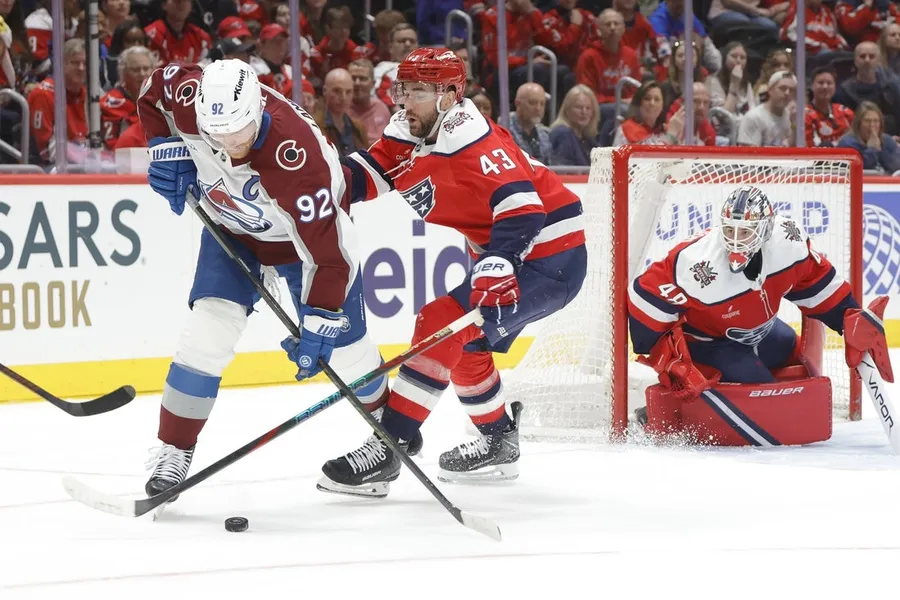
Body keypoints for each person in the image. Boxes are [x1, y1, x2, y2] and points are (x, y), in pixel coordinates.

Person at [333, 47, 587, 496]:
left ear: (449, 96)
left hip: (550, 255)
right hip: (506, 251)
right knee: (466, 342)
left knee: (441, 322)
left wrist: (499, 260)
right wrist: (307, 185)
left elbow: (524, 208)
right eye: (403, 90)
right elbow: (366, 176)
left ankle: (389, 447)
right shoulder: (410, 128)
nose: (404, 102)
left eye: (418, 92)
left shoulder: (472, 138)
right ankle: (498, 441)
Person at [137, 59, 391, 501]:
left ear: (258, 109)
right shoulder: (189, 96)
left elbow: (331, 257)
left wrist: (320, 318)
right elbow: (153, 89)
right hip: (231, 231)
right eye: (216, 135)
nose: (229, 146)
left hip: (301, 246)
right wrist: (165, 146)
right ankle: (174, 449)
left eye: (239, 133)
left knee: (348, 351)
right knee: (206, 333)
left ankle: (391, 433)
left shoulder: (300, 160)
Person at [628, 186, 893, 423]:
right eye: (729, 230)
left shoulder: (788, 241)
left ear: (765, 228)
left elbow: (815, 281)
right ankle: (661, 412)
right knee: (770, 404)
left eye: (745, 232)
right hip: (711, 343)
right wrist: (666, 359)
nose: (735, 240)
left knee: (797, 358)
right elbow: (644, 296)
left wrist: (847, 316)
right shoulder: (697, 264)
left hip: (762, 331)